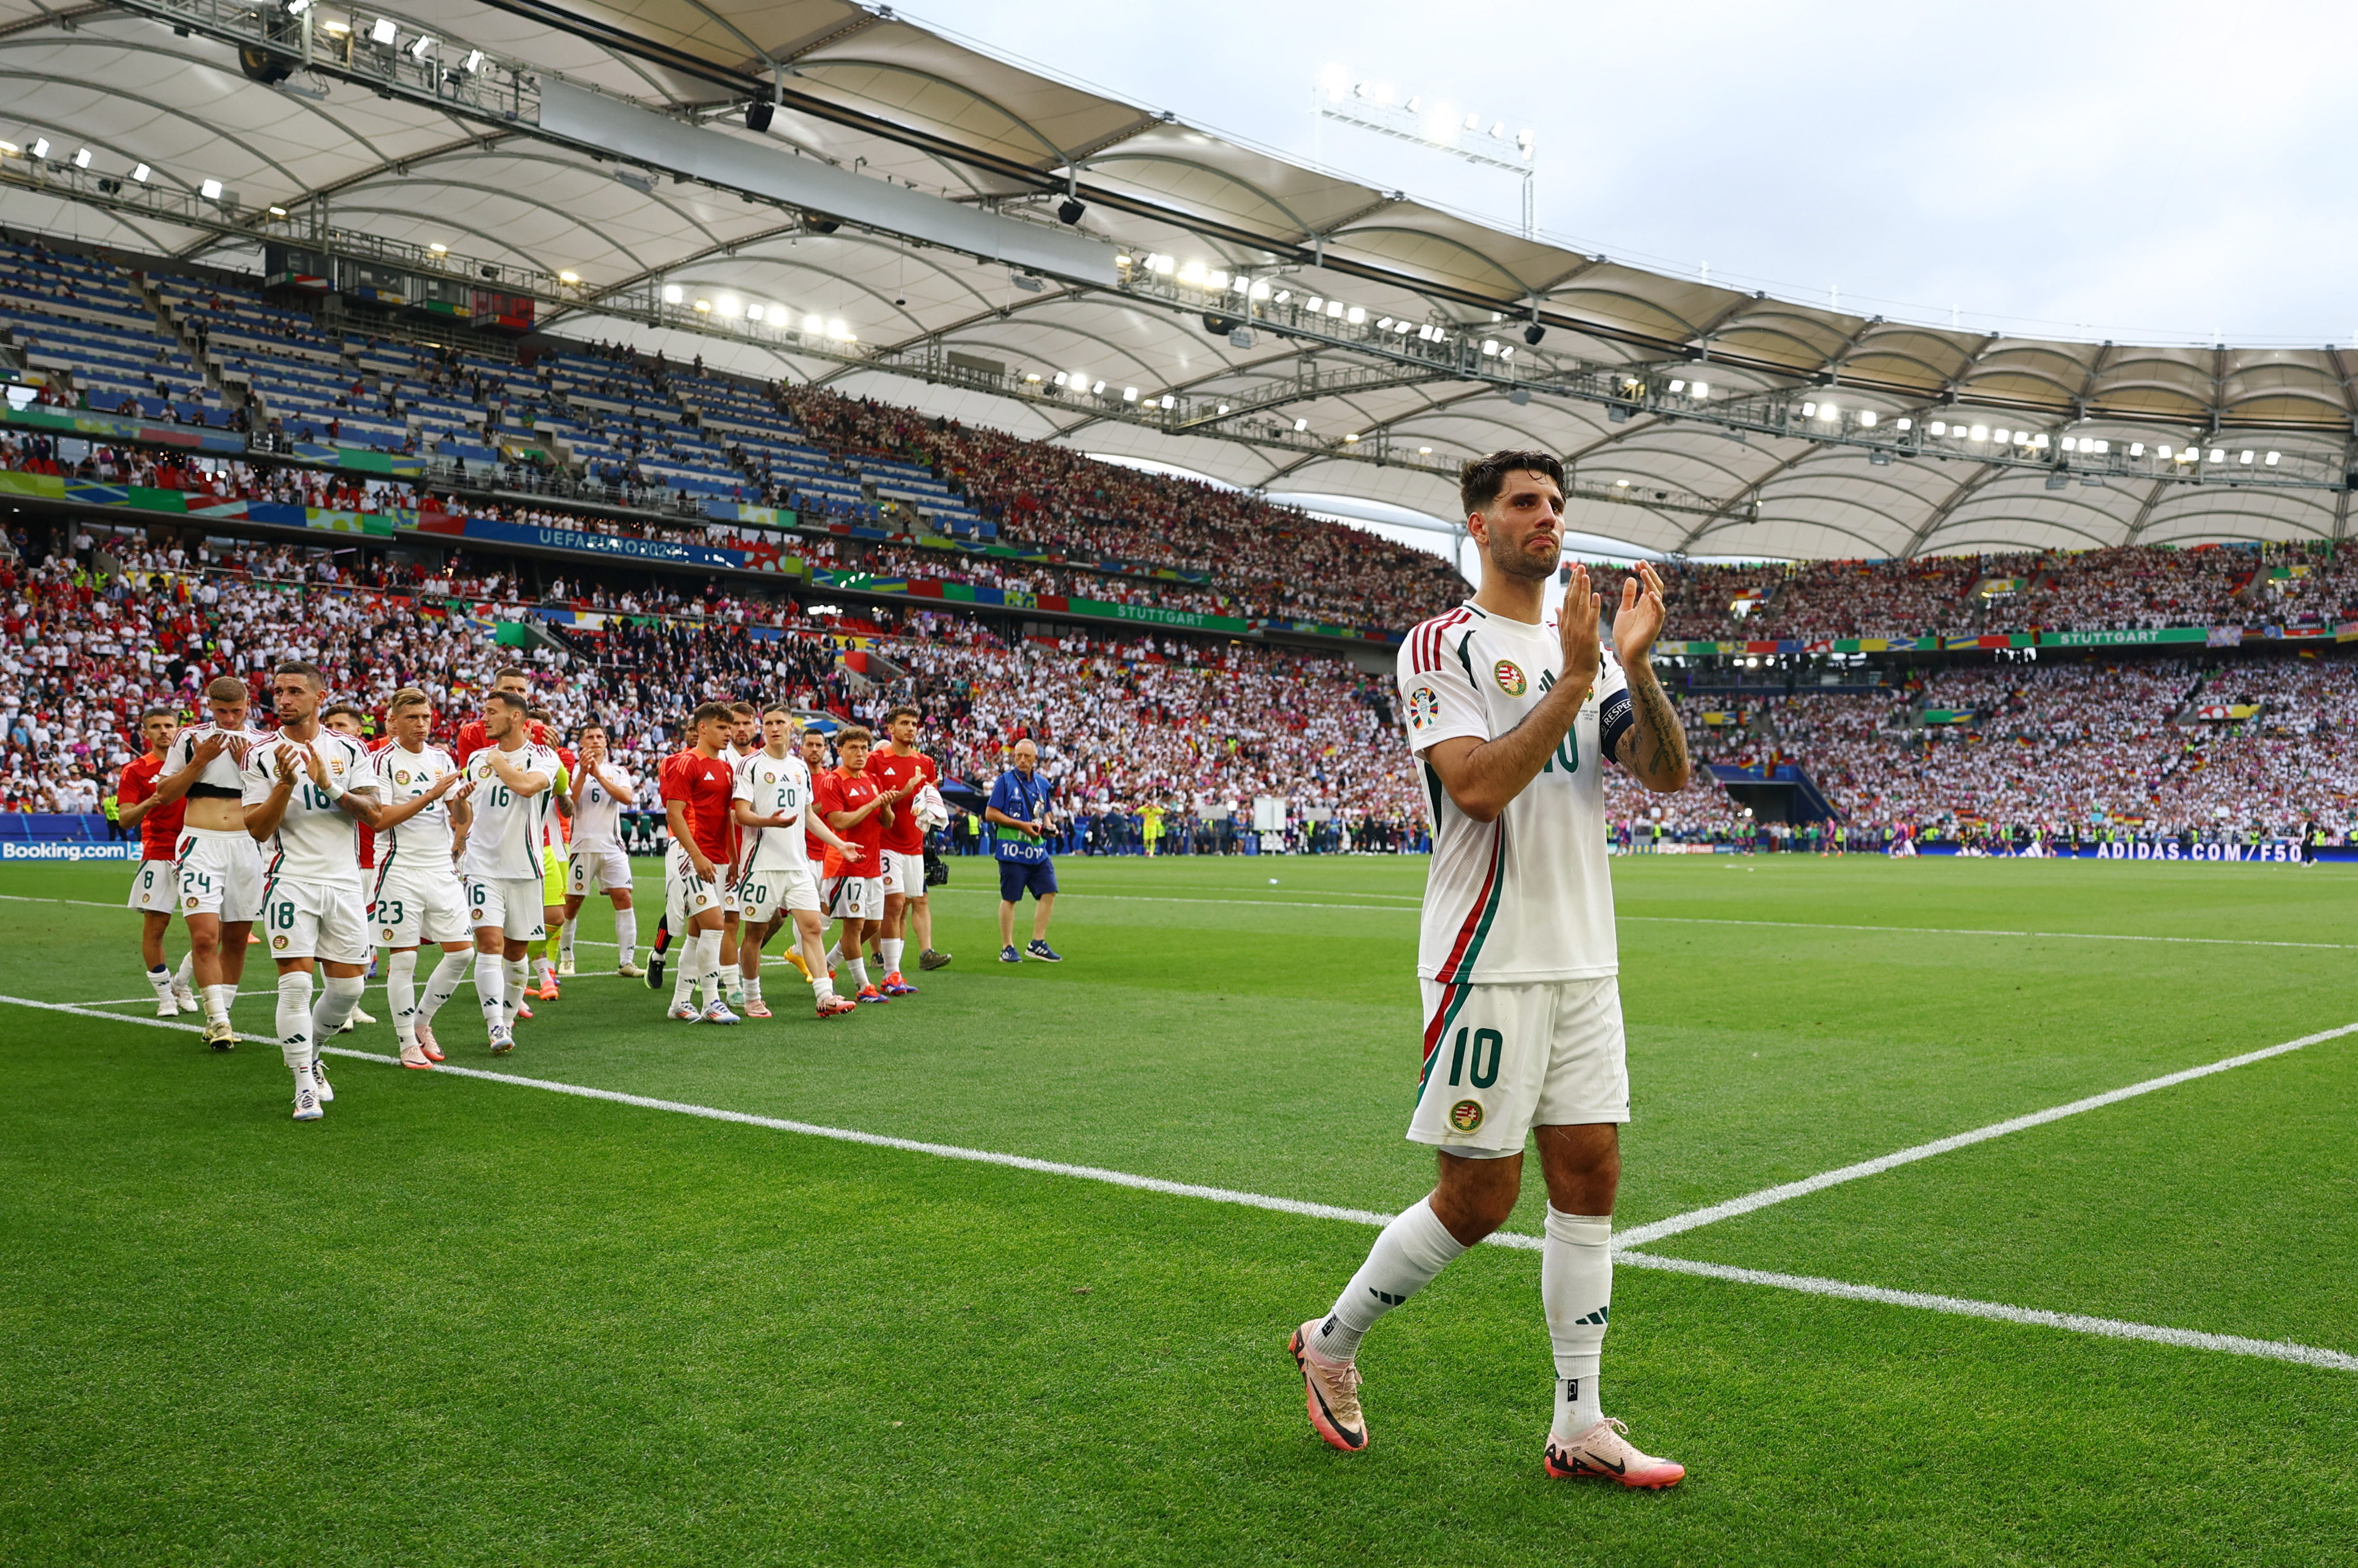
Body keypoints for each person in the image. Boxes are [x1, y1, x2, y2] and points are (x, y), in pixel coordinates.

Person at [1287, 449, 1694, 1488]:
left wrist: (1633, 666)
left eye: (1555, 503)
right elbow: (1473, 787)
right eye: (1523, 503)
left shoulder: (1591, 653)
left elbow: (1665, 774)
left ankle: (1579, 1423)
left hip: (1584, 959)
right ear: (1479, 525)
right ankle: (1329, 1343)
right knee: (1477, 1199)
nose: (1545, 516)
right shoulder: (1442, 643)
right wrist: (1573, 680)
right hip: (1485, 956)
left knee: (1590, 1180)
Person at [243, 662, 459, 1119]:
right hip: (289, 880)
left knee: (348, 990)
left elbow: (374, 813)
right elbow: (258, 829)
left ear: (319, 697)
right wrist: (285, 785)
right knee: (296, 985)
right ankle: (303, 1084)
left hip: (343, 883)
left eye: (295, 691)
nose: (284, 699)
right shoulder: (260, 753)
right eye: (279, 691)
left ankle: (312, 1054)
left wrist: (329, 785)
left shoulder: (349, 748)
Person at [151, 677, 267, 1049]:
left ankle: (223, 1016)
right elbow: (165, 795)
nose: (229, 719)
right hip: (201, 844)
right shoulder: (189, 739)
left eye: (236, 711)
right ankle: (218, 1020)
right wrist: (200, 761)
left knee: (236, 938)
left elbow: (277, 796)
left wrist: (247, 765)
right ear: (209, 706)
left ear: (248, 705)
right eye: (221, 711)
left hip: (247, 846)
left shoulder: (263, 742)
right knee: (204, 937)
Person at [731, 707, 860, 1019]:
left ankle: (825, 996)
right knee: (756, 933)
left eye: (780, 722)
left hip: (797, 865)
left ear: (792, 727)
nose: (774, 728)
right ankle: (752, 998)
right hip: (761, 865)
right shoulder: (750, 765)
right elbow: (740, 813)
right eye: (769, 723)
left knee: (812, 928)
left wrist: (839, 843)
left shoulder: (800, 768)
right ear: (763, 728)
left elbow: (809, 816)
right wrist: (769, 822)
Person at [370, 689, 475, 1069]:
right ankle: (406, 1044)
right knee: (404, 960)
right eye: (412, 718)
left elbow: (461, 818)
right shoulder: (381, 761)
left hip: (439, 867)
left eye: (426, 717)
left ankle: (422, 1022)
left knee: (462, 952)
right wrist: (432, 794)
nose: (421, 725)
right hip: (398, 868)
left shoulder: (441, 758)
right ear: (394, 721)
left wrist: (460, 801)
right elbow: (380, 819)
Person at [456, 690, 562, 1054]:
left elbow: (527, 786)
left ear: (516, 717)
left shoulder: (543, 757)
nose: (484, 718)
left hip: (525, 869)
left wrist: (497, 760)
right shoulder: (476, 759)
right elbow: (465, 814)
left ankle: (508, 1014)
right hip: (482, 867)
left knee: (517, 953)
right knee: (489, 944)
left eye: (491, 712)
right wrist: (458, 807)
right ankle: (495, 1025)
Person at [658, 701, 741, 1024]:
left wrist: (732, 857)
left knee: (697, 933)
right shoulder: (686, 764)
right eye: (722, 727)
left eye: (729, 727)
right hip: (690, 855)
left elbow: (727, 817)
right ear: (702, 728)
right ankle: (711, 1002)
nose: (728, 733)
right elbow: (674, 814)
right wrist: (696, 855)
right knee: (715, 925)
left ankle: (680, 1002)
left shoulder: (726, 768)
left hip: (717, 857)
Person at [116, 706, 197, 1017]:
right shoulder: (135, 770)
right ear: (145, 732)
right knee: (156, 928)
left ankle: (181, 982)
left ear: (178, 730)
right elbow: (125, 820)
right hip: (159, 853)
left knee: (212, 930)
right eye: (156, 726)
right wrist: (151, 801)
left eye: (168, 725)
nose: (164, 731)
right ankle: (165, 997)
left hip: (198, 852)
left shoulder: (194, 765)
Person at [815, 724, 900, 1004]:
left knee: (873, 924)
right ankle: (864, 986)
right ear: (840, 751)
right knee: (854, 926)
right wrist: (872, 804)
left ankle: (827, 964)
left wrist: (885, 805)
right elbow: (839, 822)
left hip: (872, 865)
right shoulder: (833, 781)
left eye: (864, 748)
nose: (860, 753)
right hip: (845, 865)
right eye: (853, 748)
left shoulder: (872, 779)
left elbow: (887, 823)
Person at [866, 705, 948, 990]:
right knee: (894, 904)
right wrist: (906, 789)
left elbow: (924, 802)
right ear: (891, 728)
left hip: (914, 845)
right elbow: (875, 804)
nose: (911, 728)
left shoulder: (925, 762)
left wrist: (932, 800)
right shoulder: (875, 760)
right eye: (904, 723)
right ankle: (889, 972)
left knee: (905, 907)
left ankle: (893, 970)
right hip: (885, 842)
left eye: (914, 724)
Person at [561, 723, 643, 978]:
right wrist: (584, 774)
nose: (595, 741)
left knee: (624, 898)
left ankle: (626, 962)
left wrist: (598, 774)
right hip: (581, 846)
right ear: (581, 743)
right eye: (590, 737)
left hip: (612, 846)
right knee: (571, 906)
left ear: (606, 742)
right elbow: (569, 805)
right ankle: (566, 958)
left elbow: (626, 798)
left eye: (600, 737)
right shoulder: (571, 771)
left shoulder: (617, 771)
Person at [322, 703, 381, 1031]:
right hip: (346, 864)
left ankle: (352, 1004)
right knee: (336, 939)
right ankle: (339, 1006)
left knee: (363, 939)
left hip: (377, 861)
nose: (334, 731)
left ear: (359, 731)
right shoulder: (322, 765)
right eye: (329, 725)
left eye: (341, 725)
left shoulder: (369, 762)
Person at [986, 738, 1062, 963]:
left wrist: (1050, 826)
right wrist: (1022, 826)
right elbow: (991, 813)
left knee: (1049, 891)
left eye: (1027, 756)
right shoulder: (1005, 782)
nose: (1022, 760)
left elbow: (1045, 812)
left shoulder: (1042, 784)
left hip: (1037, 851)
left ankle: (1037, 942)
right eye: (1018, 756)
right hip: (1012, 850)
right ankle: (1007, 946)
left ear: (1035, 759)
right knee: (1010, 898)